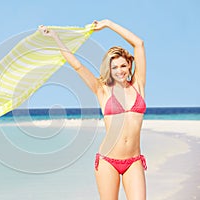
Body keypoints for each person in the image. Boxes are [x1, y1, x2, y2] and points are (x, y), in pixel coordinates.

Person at [39, 19, 147, 200]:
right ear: (109, 70)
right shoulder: (102, 89)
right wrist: (56, 38)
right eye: (114, 67)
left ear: (129, 65)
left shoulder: (138, 85)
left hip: (134, 161)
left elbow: (139, 43)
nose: (119, 70)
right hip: (108, 161)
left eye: (122, 65)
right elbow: (78, 66)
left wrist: (108, 24)